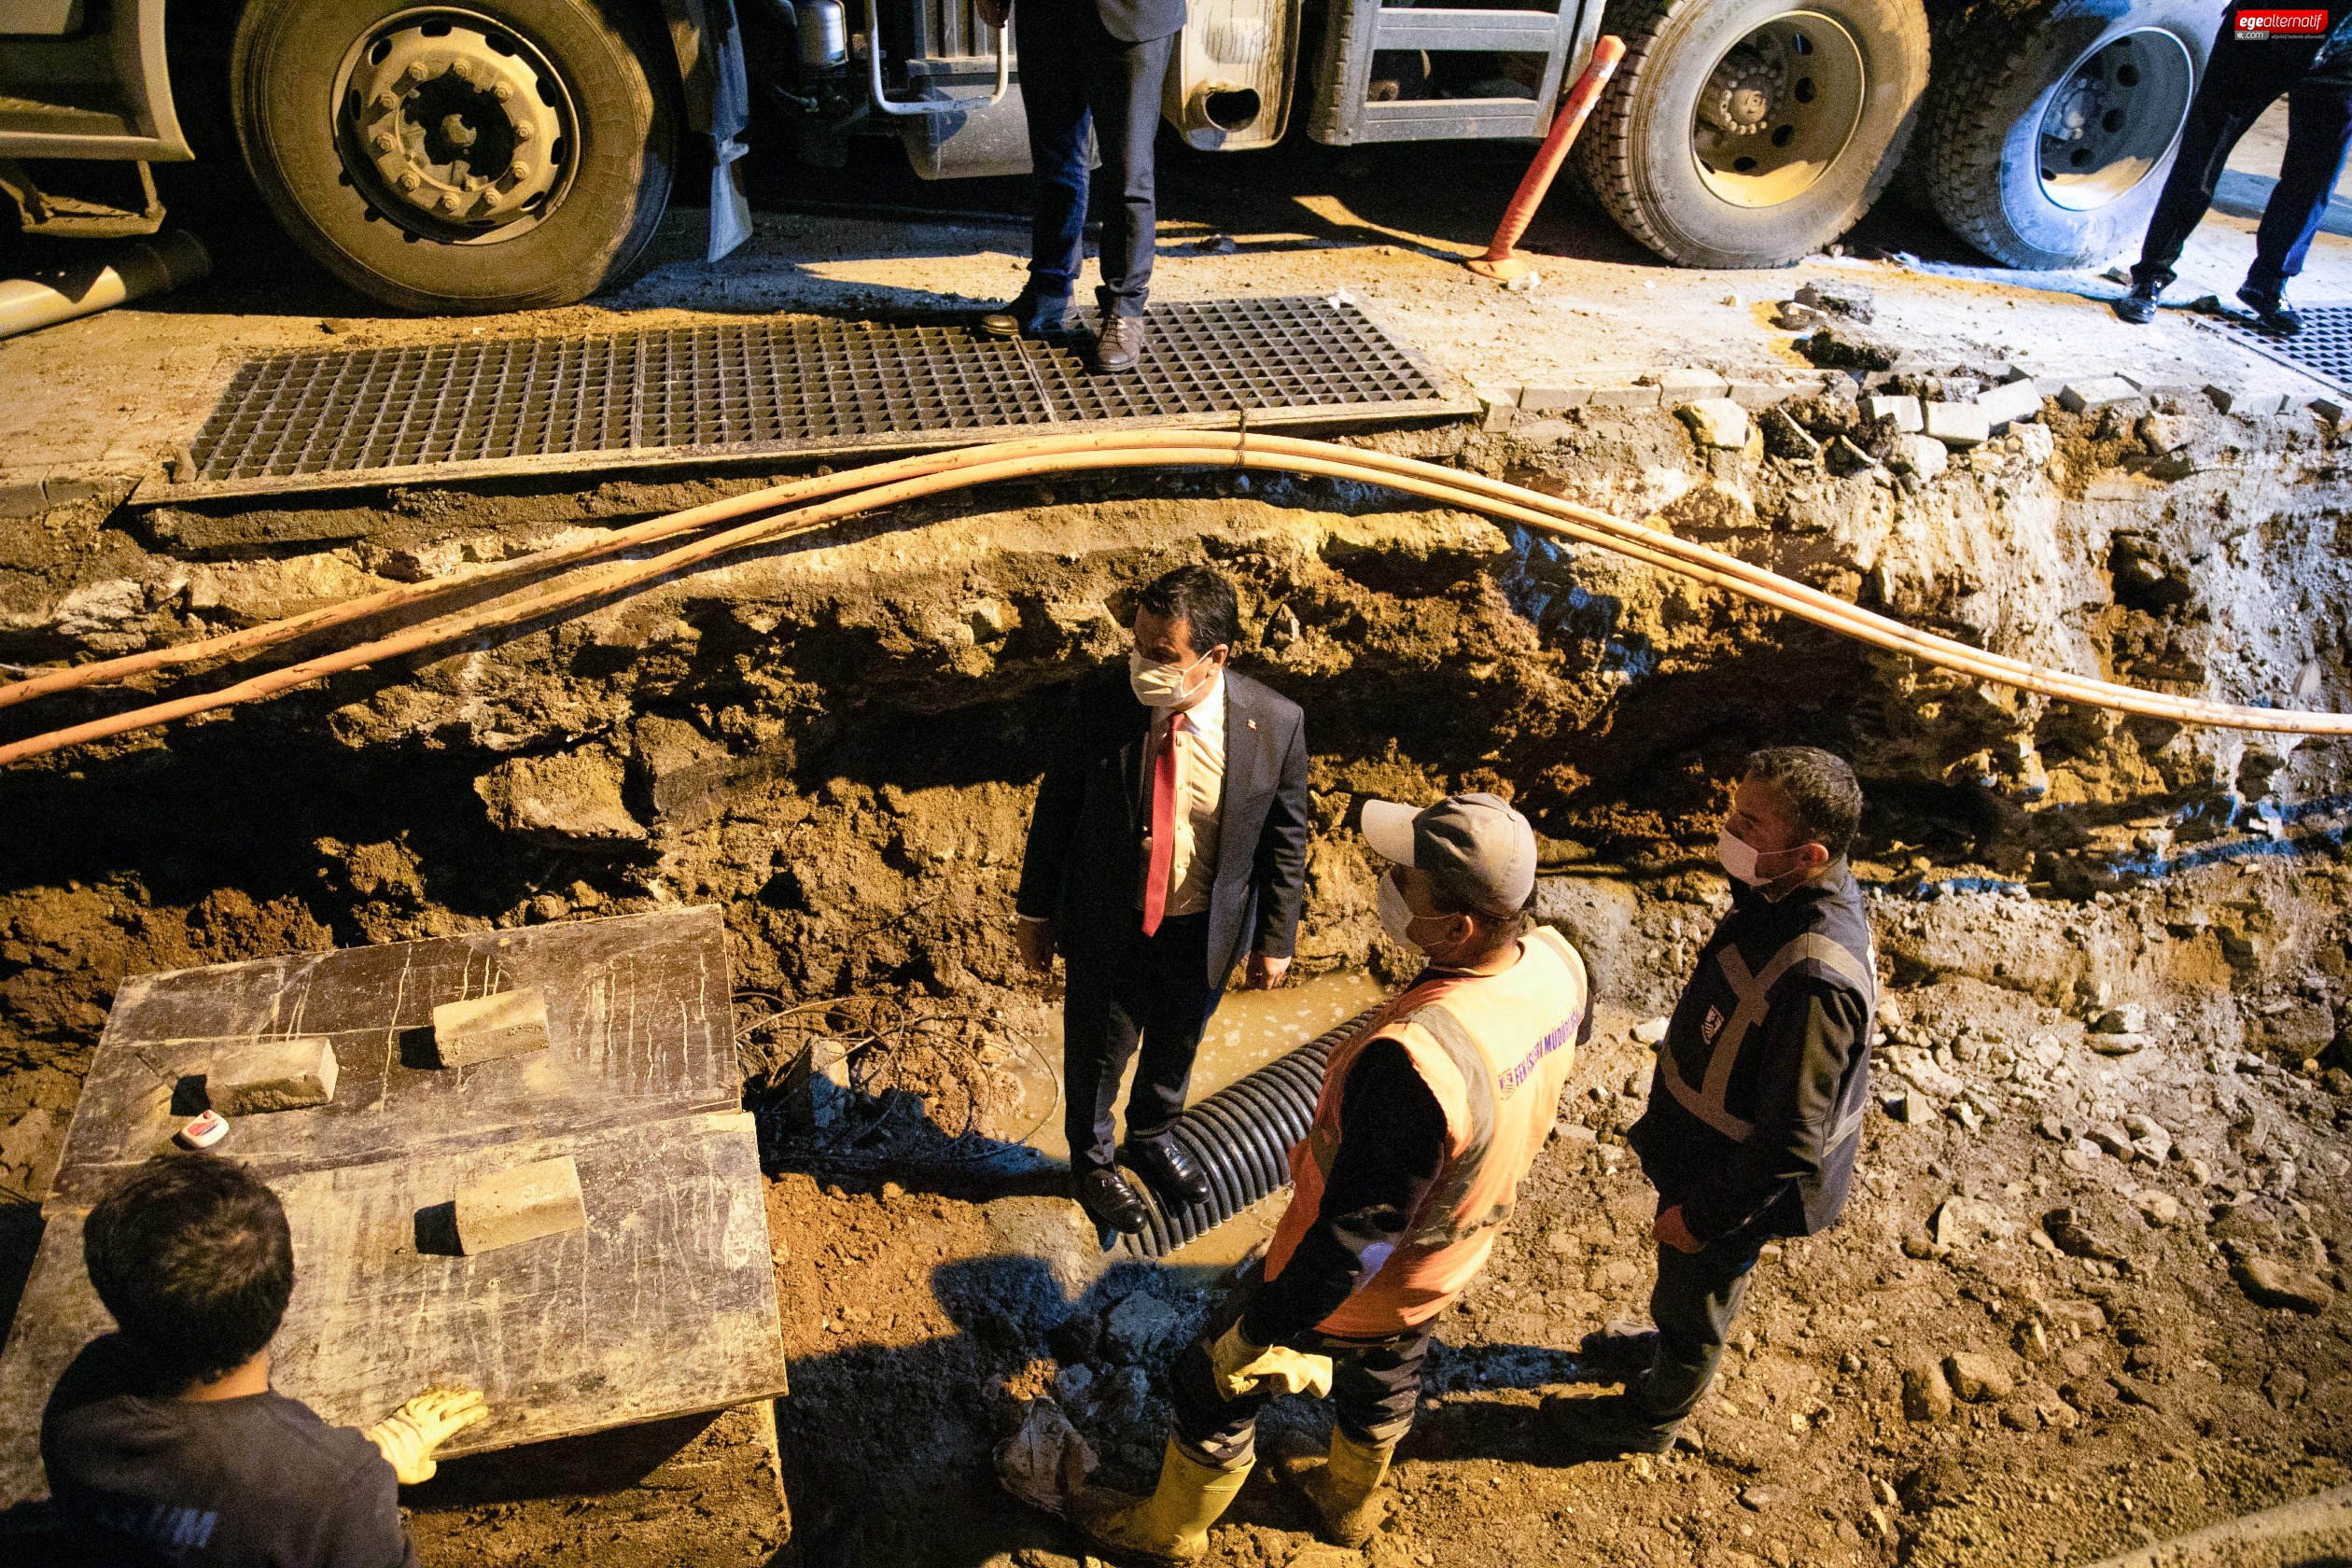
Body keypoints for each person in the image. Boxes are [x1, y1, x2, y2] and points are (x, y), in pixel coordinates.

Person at [1061, 792, 1591, 1562]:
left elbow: (1354, 1237)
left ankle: (1167, 1532)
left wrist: (1263, 1330)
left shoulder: (1415, 1064)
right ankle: (1347, 1505)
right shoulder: (1557, 961)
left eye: (1404, 879)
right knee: (1388, 1376)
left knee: (1209, 1382)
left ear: (1457, 927)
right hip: (1450, 1257)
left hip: (1360, 1284)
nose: (1387, 881)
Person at [1549, 747, 1875, 1457]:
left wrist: (1702, 1216)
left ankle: (1652, 1414)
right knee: (1686, 1283)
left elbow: (1789, 1141)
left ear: (1809, 852)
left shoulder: (1819, 980)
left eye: (1748, 823)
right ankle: (1667, 1344)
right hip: (1708, 1152)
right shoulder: (1784, 895)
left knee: (1698, 1290)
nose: (1727, 829)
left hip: (1732, 1179)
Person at [1015, 564, 1310, 1235]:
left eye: (1162, 655)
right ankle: (1091, 1162)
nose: (1141, 664)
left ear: (1216, 658)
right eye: (1138, 644)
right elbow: (1055, 810)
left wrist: (1275, 940)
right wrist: (1034, 914)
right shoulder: (1099, 702)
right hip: (1108, 919)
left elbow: (1286, 841)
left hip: (1204, 926)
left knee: (1179, 1040)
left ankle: (1152, 1136)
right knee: (1098, 1047)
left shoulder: (1276, 723)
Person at [40, 1154, 488, 1567]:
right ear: (284, 1288)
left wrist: (345, 1464)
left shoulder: (82, 1395)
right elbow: (282, 1491)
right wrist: (358, 1469)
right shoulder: (332, 1492)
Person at [2114, 7, 2352, 334]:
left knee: (2316, 175)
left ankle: (2268, 283)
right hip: (2278, 23)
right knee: (2205, 151)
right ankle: (2152, 274)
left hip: (2344, 50)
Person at [973, 0, 1180, 371]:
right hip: (1048, 14)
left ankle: (1125, 309)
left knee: (1128, 168)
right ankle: (1050, 292)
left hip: (1132, 12)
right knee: (1055, 159)